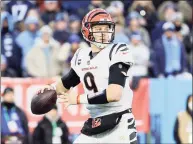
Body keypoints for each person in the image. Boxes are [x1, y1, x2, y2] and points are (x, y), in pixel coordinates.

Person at [38, 8, 137, 143]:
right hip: (95, 123)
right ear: (87, 30)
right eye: (99, 28)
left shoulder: (117, 51)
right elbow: (67, 82)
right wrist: (51, 88)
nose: (103, 32)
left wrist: (78, 99)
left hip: (119, 123)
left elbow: (114, 94)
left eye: (106, 28)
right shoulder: (82, 56)